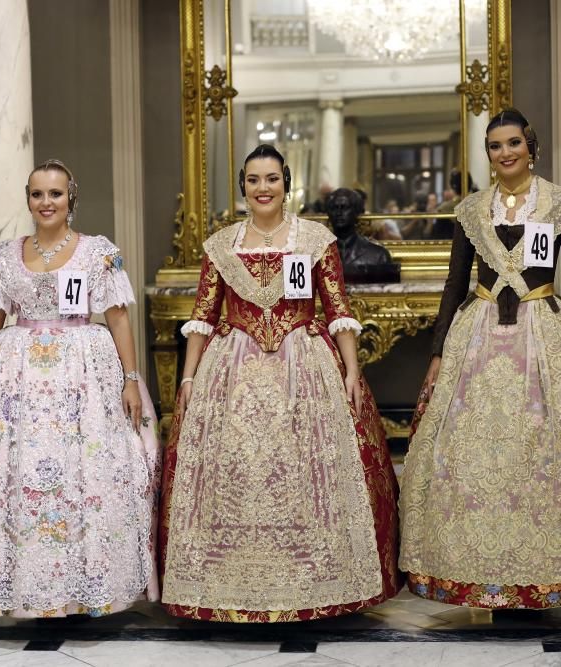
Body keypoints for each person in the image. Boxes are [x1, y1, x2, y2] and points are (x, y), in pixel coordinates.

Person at [159, 144, 400, 622]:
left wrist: (352, 372)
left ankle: (317, 582)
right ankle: (228, 585)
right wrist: (188, 377)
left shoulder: (315, 240)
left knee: (312, 473)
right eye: (253, 179)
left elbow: (338, 309)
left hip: (305, 366)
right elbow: (203, 317)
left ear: (286, 183)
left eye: (271, 178)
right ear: (243, 186)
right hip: (233, 372)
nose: (262, 187)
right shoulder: (222, 245)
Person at [399, 109, 561, 609]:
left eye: (513, 143)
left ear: (531, 147)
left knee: (543, 449)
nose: (505, 153)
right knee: (468, 453)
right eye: (495, 146)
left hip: (541, 331)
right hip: (477, 335)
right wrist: (436, 353)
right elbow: (454, 284)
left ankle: (544, 572)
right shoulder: (471, 210)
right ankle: (474, 570)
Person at [0, 159, 159, 617]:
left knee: (82, 474)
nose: (46, 203)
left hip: (82, 377)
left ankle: (84, 590)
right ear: (28, 199)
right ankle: (21, 588)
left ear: (71, 198)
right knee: (18, 474)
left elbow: (118, 318)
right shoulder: (5, 255)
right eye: (37, 194)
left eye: (55, 194)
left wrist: (129, 379)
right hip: (16, 381)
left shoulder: (97, 252)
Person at [327, 187, 400, 282]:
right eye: (334, 208)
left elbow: (386, 295)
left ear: (356, 212)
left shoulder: (378, 255)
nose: (339, 213)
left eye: (345, 207)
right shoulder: (316, 254)